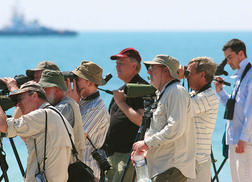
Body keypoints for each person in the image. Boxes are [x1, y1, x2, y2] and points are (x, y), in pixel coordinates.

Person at [0, 81, 73, 182]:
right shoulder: (55, 115)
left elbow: (4, 126)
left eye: (20, 99)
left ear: (34, 96)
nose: (18, 104)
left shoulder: (42, 115)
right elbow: (24, 137)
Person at [132, 54, 195, 182]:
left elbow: (175, 128)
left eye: (152, 68)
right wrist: (145, 152)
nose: (148, 71)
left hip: (170, 168)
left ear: (166, 71)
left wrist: (146, 144)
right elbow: (160, 129)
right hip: (164, 168)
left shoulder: (176, 91)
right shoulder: (165, 92)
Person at [104, 47, 148, 182]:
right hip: (112, 154)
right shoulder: (124, 89)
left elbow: (142, 120)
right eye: (116, 64)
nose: (117, 67)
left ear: (134, 65)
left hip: (127, 155)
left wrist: (121, 103)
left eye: (121, 63)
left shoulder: (140, 88)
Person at [214, 39, 252, 182]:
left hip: (245, 142)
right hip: (234, 140)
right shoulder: (239, 76)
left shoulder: (250, 77)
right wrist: (220, 91)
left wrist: (243, 138)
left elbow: (251, 111)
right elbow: (234, 108)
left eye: (230, 57)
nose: (228, 62)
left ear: (241, 54)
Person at [66, 60, 110, 181]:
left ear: (89, 82)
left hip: (87, 172)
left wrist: (71, 103)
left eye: (77, 79)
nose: (74, 82)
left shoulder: (97, 108)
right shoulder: (82, 102)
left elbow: (75, 136)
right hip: (76, 170)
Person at [180, 57, 219, 182]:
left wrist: (175, 81)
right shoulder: (194, 95)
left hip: (197, 163)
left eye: (189, 73)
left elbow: (181, 110)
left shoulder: (208, 97)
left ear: (202, 75)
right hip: (190, 162)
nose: (186, 77)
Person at [39, 69, 86, 162]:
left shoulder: (65, 107)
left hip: (69, 170)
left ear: (56, 90)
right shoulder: (60, 105)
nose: (42, 92)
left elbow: (41, 128)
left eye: (45, 88)